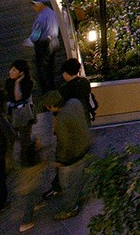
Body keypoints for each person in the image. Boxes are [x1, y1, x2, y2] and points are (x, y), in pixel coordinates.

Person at [43, 90, 92, 220]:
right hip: (85, 146)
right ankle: (79, 195)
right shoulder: (74, 102)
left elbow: (63, 143)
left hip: (73, 156)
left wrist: (60, 160)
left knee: (67, 184)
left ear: (51, 106)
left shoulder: (61, 119)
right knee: (78, 178)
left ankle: (70, 209)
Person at [26, 0, 61, 93]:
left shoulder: (41, 17)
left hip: (44, 44)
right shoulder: (52, 13)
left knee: (42, 68)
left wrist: (30, 40)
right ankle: (52, 86)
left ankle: (46, 91)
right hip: (54, 42)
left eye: (34, 5)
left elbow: (36, 33)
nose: (33, 8)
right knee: (51, 66)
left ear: (39, 4)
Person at [5, 59, 36, 156]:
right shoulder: (8, 81)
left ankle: (27, 155)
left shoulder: (28, 83)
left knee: (25, 137)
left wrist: (17, 83)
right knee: (10, 136)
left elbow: (18, 97)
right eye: (11, 69)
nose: (10, 72)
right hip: (12, 112)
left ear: (21, 73)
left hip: (24, 112)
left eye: (14, 70)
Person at [59, 58, 97, 123]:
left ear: (65, 73)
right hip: (85, 115)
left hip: (73, 118)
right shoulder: (84, 81)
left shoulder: (64, 88)